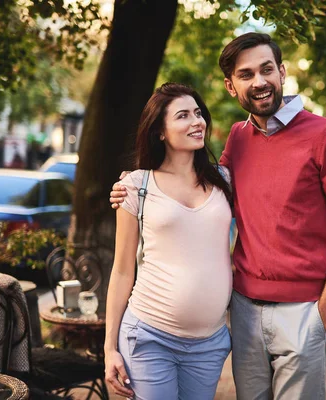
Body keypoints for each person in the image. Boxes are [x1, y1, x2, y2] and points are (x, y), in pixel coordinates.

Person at [111, 32, 326, 399]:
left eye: (267, 70)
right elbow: (205, 187)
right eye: (246, 75)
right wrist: (132, 184)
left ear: (282, 72)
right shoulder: (238, 138)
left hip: (303, 311)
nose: (259, 81)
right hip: (243, 311)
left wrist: (321, 317)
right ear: (232, 87)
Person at [104, 83, 234, 400]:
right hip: (149, 336)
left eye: (199, 113)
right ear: (160, 131)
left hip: (209, 343)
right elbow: (122, 270)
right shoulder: (136, 185)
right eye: (183, 116)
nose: (196, 122)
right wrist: (109, 348)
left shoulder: (224, 180)